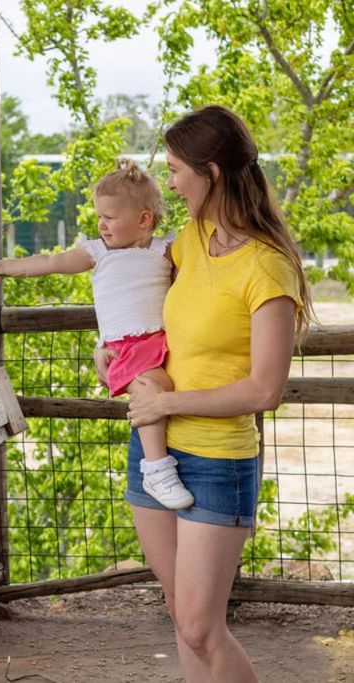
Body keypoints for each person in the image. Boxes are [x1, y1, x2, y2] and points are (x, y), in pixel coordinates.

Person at [106, 105, 313, 682]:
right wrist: (114, 349)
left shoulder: (269, 268)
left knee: (200, 625)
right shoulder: (189, 240)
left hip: (219, 461)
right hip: (155, 456)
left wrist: (166, 403)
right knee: (182, 618)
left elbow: (265, 389)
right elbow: (141, 302)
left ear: (212, 172)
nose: (168, 181)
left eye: (175, 169)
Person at [0, 159, 194, 509]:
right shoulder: (97, 252)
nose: (101, 224)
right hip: (126, 346)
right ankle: (156, 469)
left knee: (162, 390)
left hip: (162, 340)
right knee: (151, 389)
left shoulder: (163, 250)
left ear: (144, 219)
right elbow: (50, 263)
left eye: (110, 217)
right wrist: (8, 268)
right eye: (99, 216)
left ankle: (160, 464)